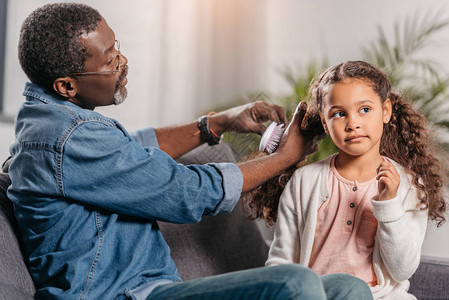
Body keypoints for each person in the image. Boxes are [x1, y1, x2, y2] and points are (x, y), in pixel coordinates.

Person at [7, 3, 374, 300]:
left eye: (116, 47)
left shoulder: (59, 122)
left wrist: (215, 124)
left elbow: (132, 150)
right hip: (122, 296)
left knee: (349, 288)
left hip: (157, 290)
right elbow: (183, 192)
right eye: (108, 59)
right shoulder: (66, 138)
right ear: (66, 85)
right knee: (296, 284)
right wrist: (284, 157)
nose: (122, 62)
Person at [246, 61, 447, 299]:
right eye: (339, 114)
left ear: (385, 111)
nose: (353, 124)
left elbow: (403, 268)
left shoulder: (408, 185)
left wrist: (389, 203)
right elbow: (282, 262)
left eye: (364, 110)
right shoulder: (304, 182)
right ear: (325, 123)